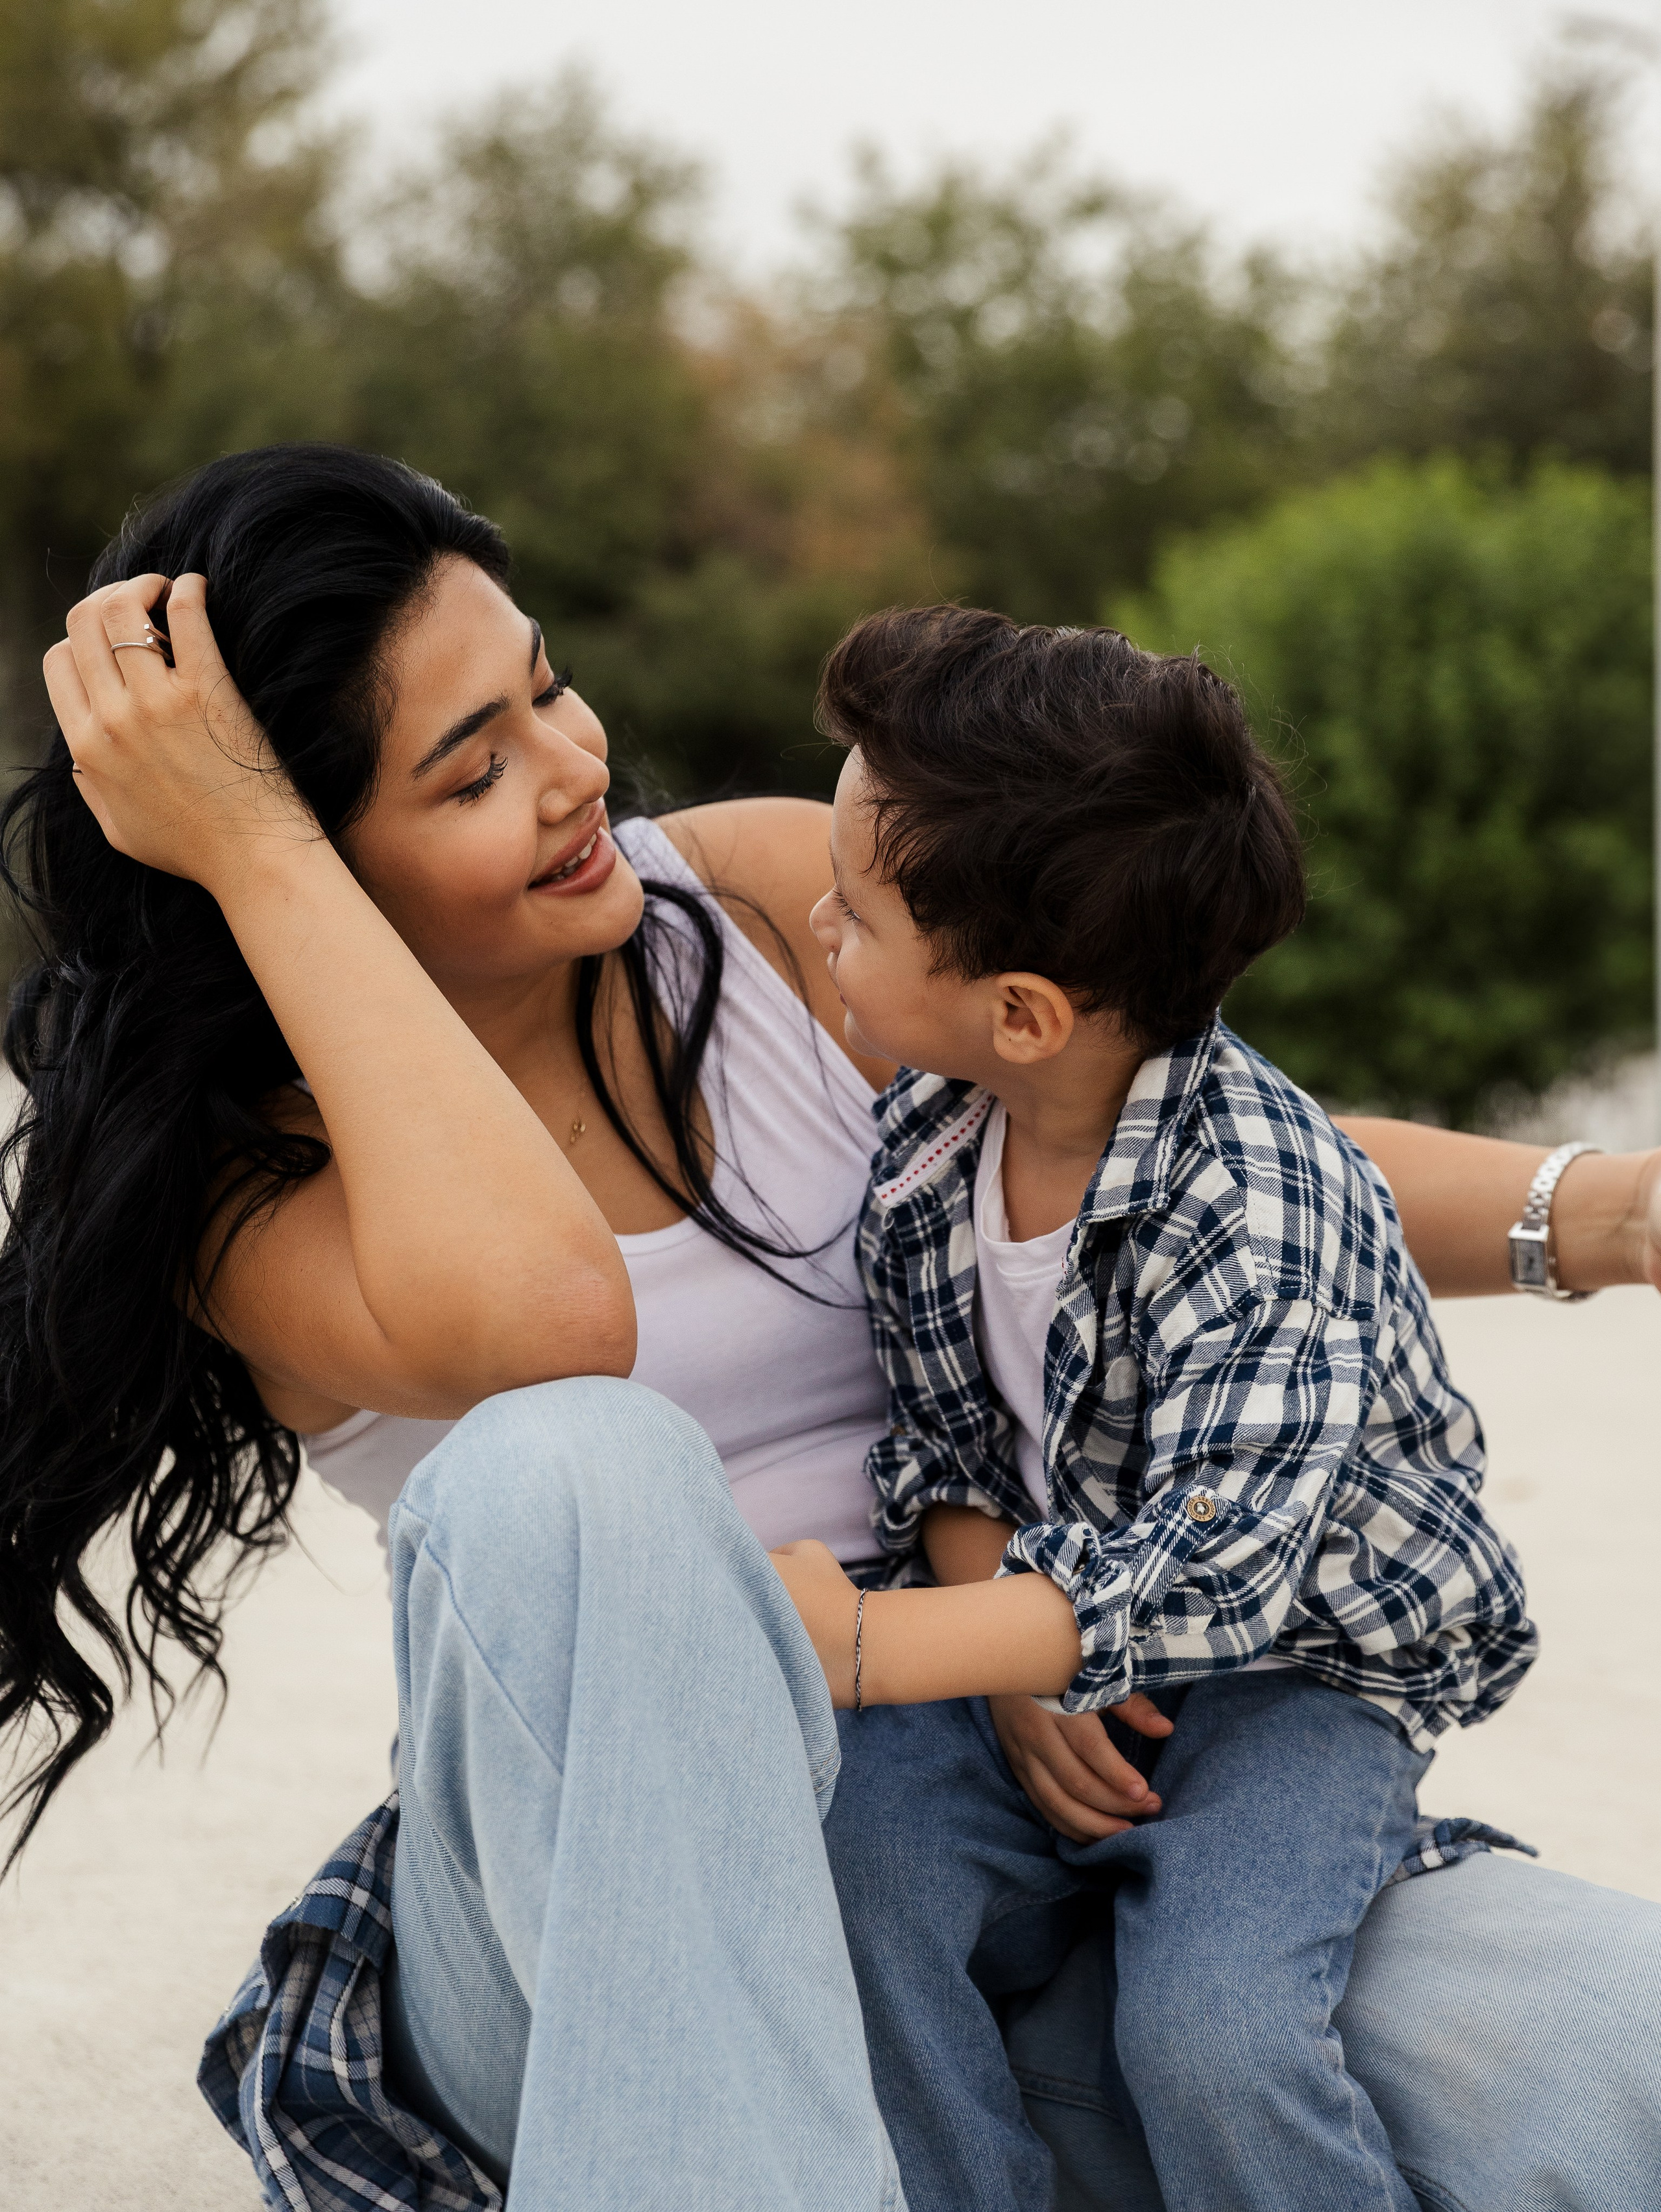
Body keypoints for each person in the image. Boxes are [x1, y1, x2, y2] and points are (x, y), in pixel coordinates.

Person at [8, 442, 1660, 2211]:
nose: (575, 768)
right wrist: (257, 847)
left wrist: (1612, 1213)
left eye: (548, 687)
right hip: (596, 1926)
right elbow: (552, 1321)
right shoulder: (239, 1188)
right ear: (308, 863)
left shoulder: (758, 910)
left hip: (1031, 1753)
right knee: (575, 1460)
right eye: (474, 769)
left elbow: (1176, 1166)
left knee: (1599, 2044)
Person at [767, 606, 1536, 2212]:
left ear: (1022, 1011)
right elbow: (947, 1434)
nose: (817, 922)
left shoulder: (1258, 1208)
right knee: (850, 1883)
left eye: (853, 909)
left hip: (1291, 1670)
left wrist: (879, 1645)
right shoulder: (928, 1137)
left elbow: (1217, 1571)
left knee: (1213, 2030)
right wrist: (990, 1645)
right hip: (1036, 1615)